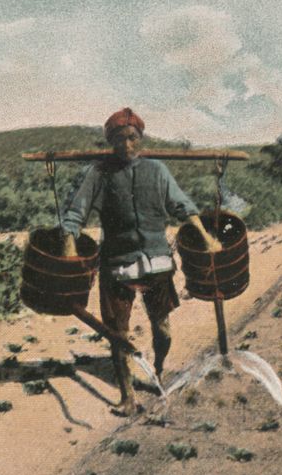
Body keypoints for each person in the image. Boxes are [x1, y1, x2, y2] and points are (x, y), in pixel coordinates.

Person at [61, 108, 222, 415]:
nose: (126, 145)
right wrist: (69, 245)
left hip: (157, 262)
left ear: (141, 139)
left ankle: (158, 369)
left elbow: (182, 206)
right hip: (117, 265)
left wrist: (206, 236)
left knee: (163, 330)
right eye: (119, 139)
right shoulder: (99, 173)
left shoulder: (158, 171)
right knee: (118, 332)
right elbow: (76, 212)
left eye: (132, 138)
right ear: (111, 142)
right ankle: (127, 396)